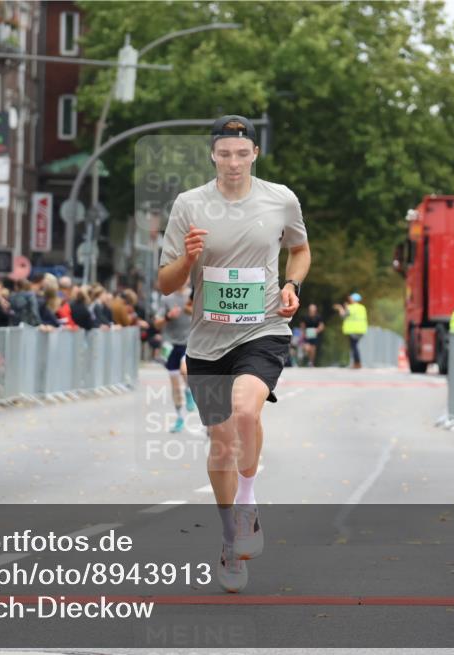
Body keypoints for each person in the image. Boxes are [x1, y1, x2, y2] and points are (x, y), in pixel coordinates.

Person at [157, 114, 310, 593]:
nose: (233, 162)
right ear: (213, 156)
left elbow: (300, 250)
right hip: (207, 340)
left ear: (254, 155)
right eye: (224, 154)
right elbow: (165, 283)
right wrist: (188, 256)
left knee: (247, 409)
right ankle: (230, 540)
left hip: (263, 327)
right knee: (221, 443)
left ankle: (247, 506)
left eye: (242, 154)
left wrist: (291, 283)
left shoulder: (280, 199)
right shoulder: (190, 205)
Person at [154, 279, 195, 433]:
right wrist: (168, 317)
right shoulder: (166, 298)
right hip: (169, 344)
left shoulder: (194, 295)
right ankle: (179, 418)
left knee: (184, 369)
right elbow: (157, 323)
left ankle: (190, 390)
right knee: (175, 384)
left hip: (188, 342)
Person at [333, 294, 367, 369]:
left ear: (353, 299)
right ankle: (356, 363)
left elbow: (343, 316)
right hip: (361, 329)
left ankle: (357, 363)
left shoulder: (351, 308)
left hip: (353, 330)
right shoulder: (362, 307)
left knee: (354, 347)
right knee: (355, 346)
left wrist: (340, 308)